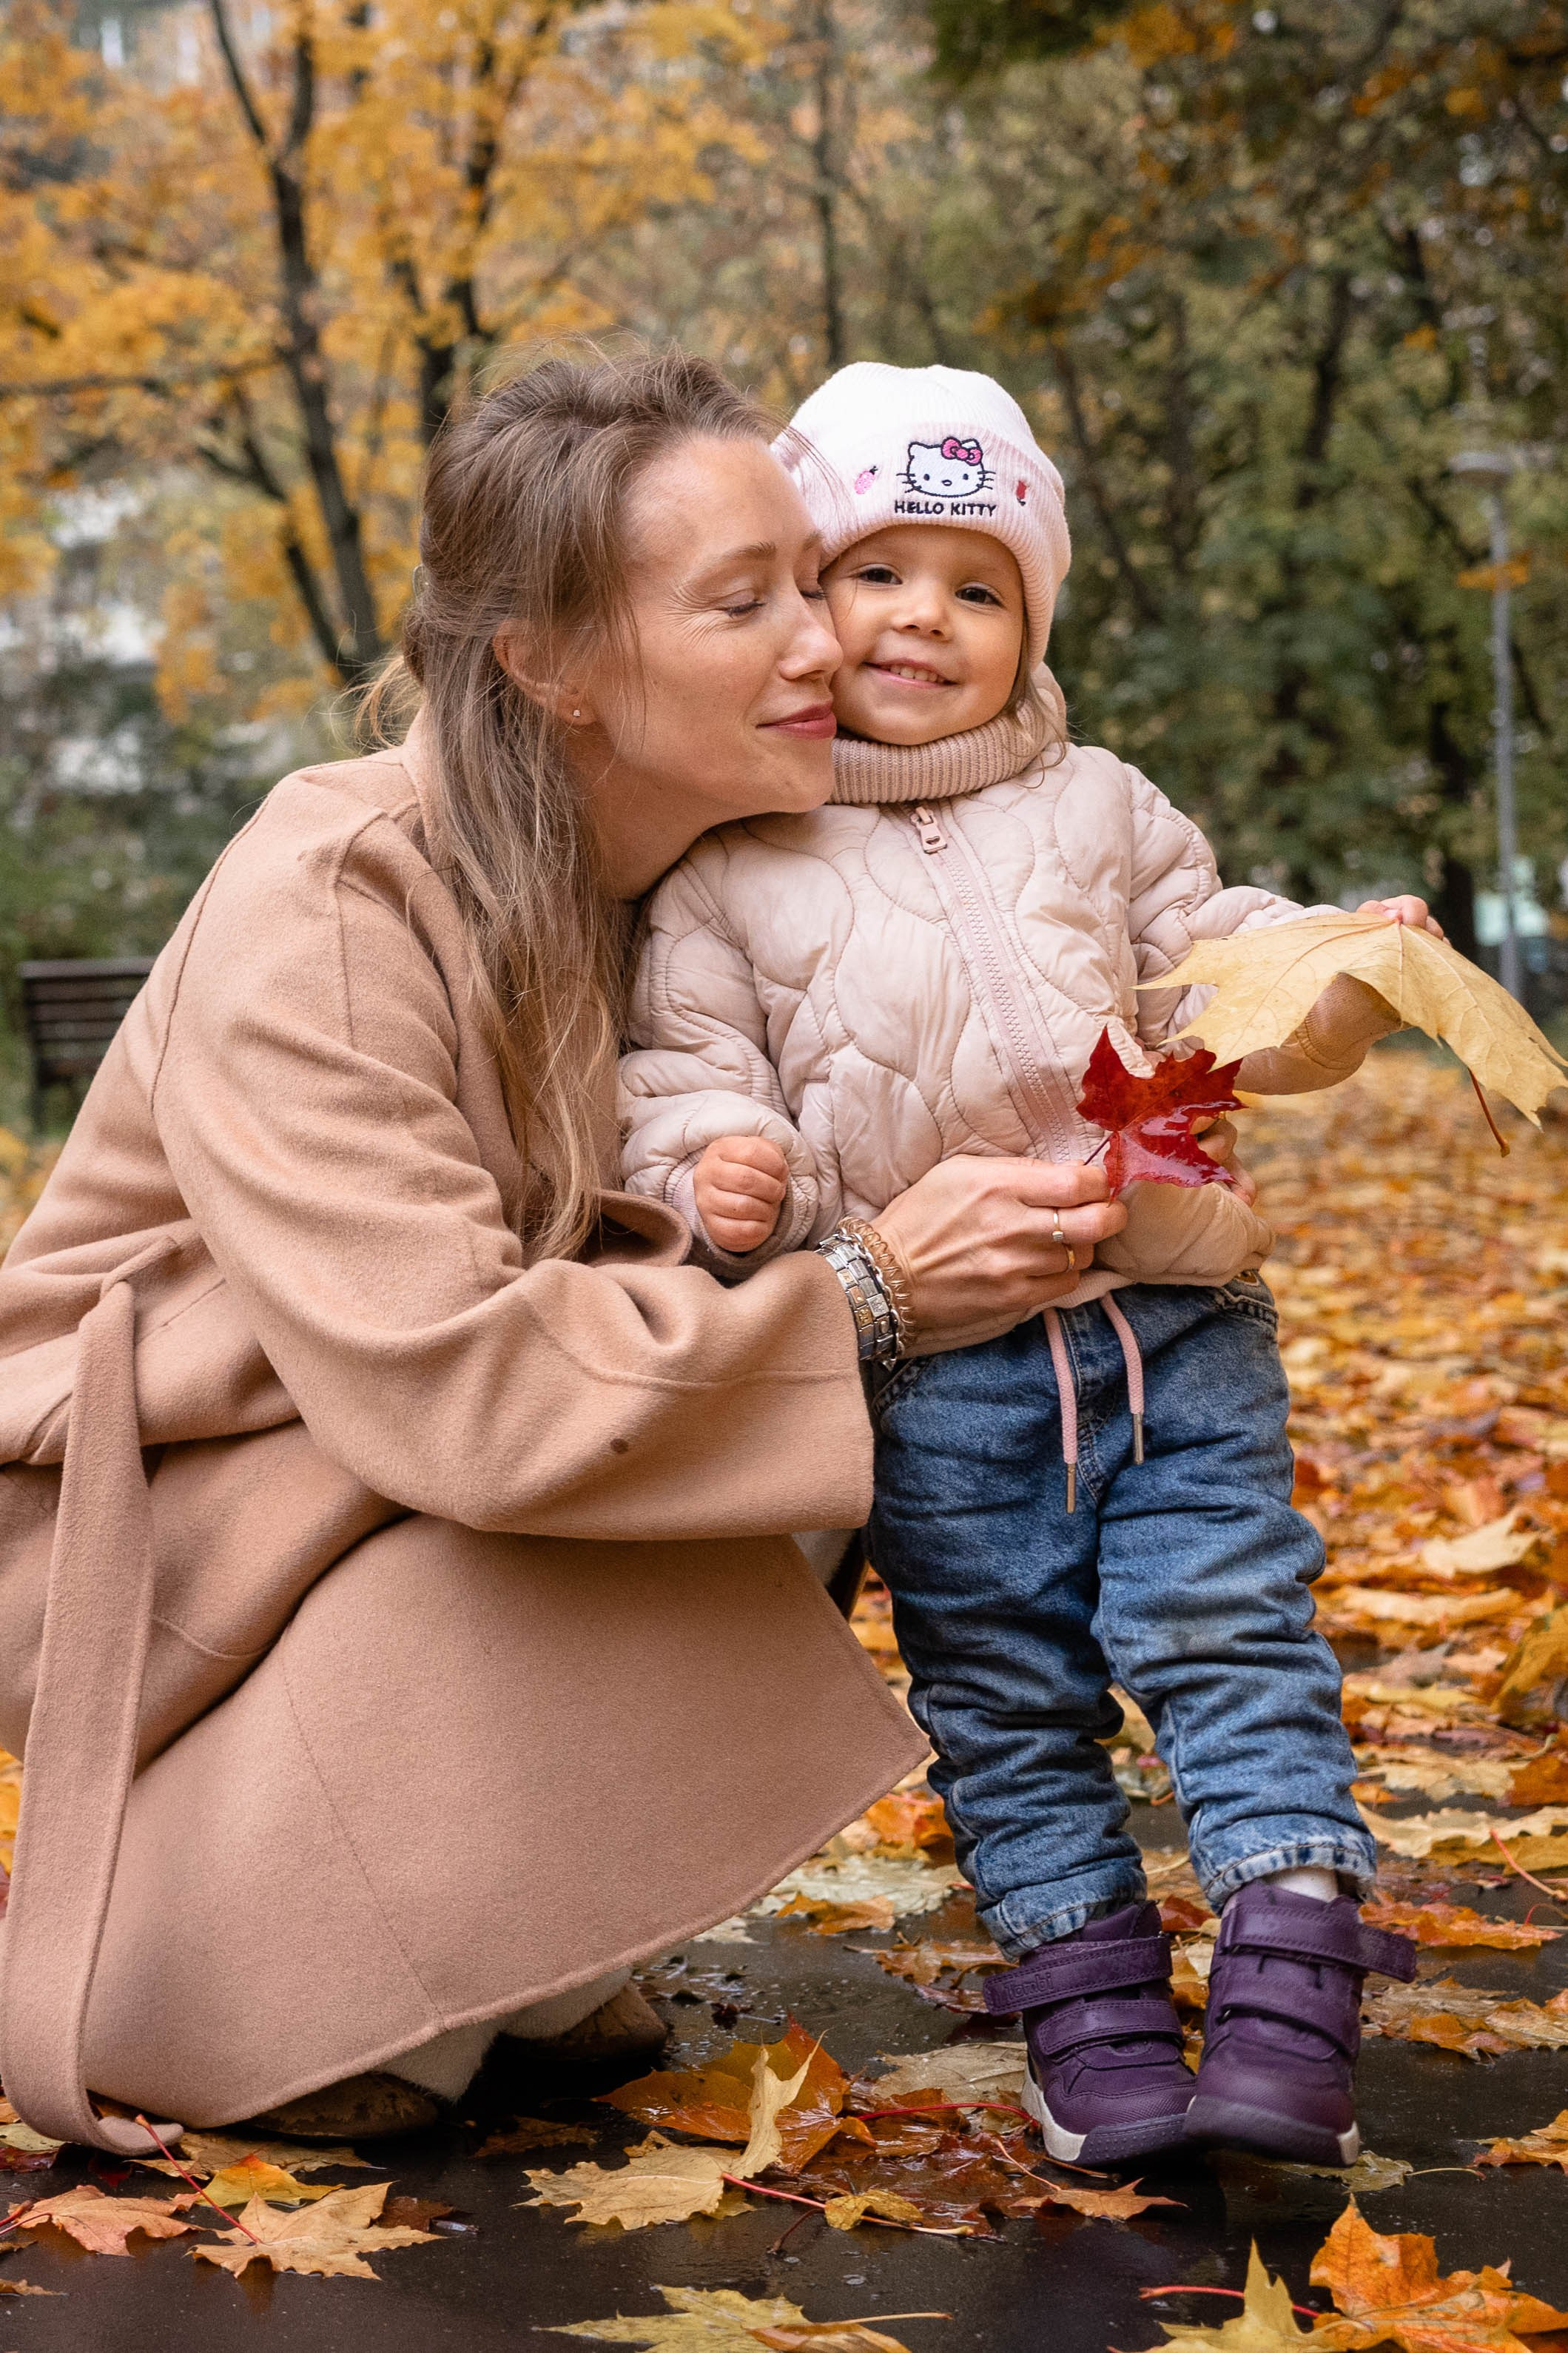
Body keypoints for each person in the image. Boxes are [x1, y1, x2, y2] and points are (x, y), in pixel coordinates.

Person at [0, 353, 1134, 2155]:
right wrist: (871, 1293)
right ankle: (252, 1972)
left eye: (808, 578)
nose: (825, 645)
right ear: (548, 659)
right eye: (738, 602)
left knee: (795, 1382)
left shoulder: (708, 882)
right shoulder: (339, 888)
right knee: (804, 1358)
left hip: (377, 1472)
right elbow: (454, 1386)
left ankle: (496, 1957)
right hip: (172, 1530)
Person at [619, 362, 1433, 2173]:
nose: (924, 617)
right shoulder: (728, 863)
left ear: (1031, 622)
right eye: (875, 572)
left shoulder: (1106, 807)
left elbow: (1220, 978)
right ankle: (1094, 2022)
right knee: (1002, 1697)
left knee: (1230, 1635)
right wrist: (710, 1166)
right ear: (799, 601)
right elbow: (673, 1077)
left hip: (1173, 1323)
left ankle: (1293, 1990)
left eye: (978, 586)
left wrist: (1330, 973)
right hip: (940, 1377)